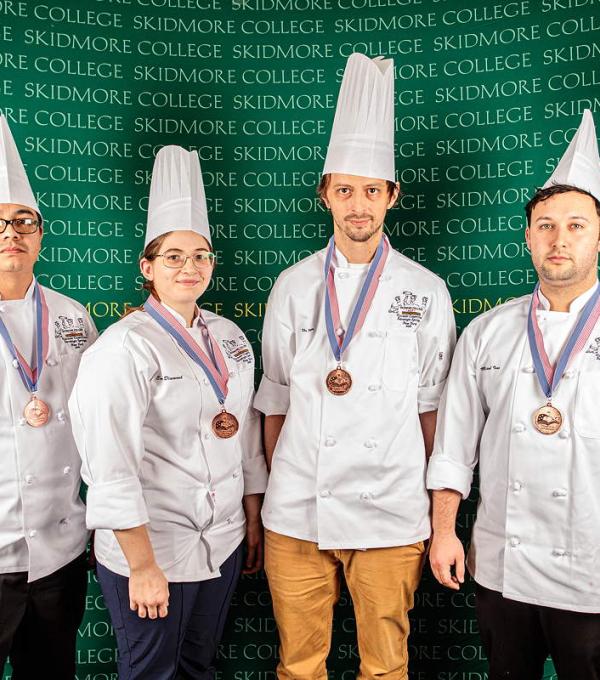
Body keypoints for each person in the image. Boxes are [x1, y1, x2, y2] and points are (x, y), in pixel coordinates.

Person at [254, 53, 456, 679]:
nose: (358, 204)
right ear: (326, 194)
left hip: (391, 511)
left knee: (386, 669)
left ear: (393, 195)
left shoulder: (426, 290)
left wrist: (426, 509)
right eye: (345, 190)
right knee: (299, 666)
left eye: (372, 190)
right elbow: (277, 402)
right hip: (296, 512)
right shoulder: (291, 286)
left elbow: (431, 411)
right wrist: (280, 485)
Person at [69, 145, 268, 679]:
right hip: (152, 548)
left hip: (221, 543)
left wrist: (251, 519)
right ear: (147, 266)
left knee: (199, 667)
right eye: (173, 256)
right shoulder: (122, 348)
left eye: (200, 255)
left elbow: (243, 433)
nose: (189, 267)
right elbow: (110, 467)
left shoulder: (230, 338)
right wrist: (142, 567)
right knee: (151, 672)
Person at [427, 109, 600, 680]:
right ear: (527, 235)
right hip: (503, 566)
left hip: (593, 569)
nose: (559, 239)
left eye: (576, 225)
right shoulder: (487, 332)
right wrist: (445, 532)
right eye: (545, 225)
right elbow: (453, 448)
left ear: (598, 234)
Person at [0, 115, 98, 678]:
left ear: (40, 234)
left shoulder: (71, 316)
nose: (11, 232)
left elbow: (93, 417)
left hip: (60, 550)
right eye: (0, 223)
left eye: (23, 222)